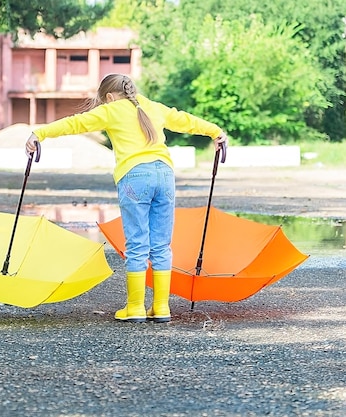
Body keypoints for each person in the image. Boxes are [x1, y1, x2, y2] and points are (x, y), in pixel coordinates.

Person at [25, 73, 228, 323]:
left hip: (135, 177)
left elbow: (74, 123)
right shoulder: (153, 106)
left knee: (137, 243)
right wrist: (216, 132)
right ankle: (161, 307)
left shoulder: (112, 110)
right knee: (162, 244)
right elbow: (185, 121)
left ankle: (135, 308)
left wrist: (39, 134)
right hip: (164, 175)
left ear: (109, 97)